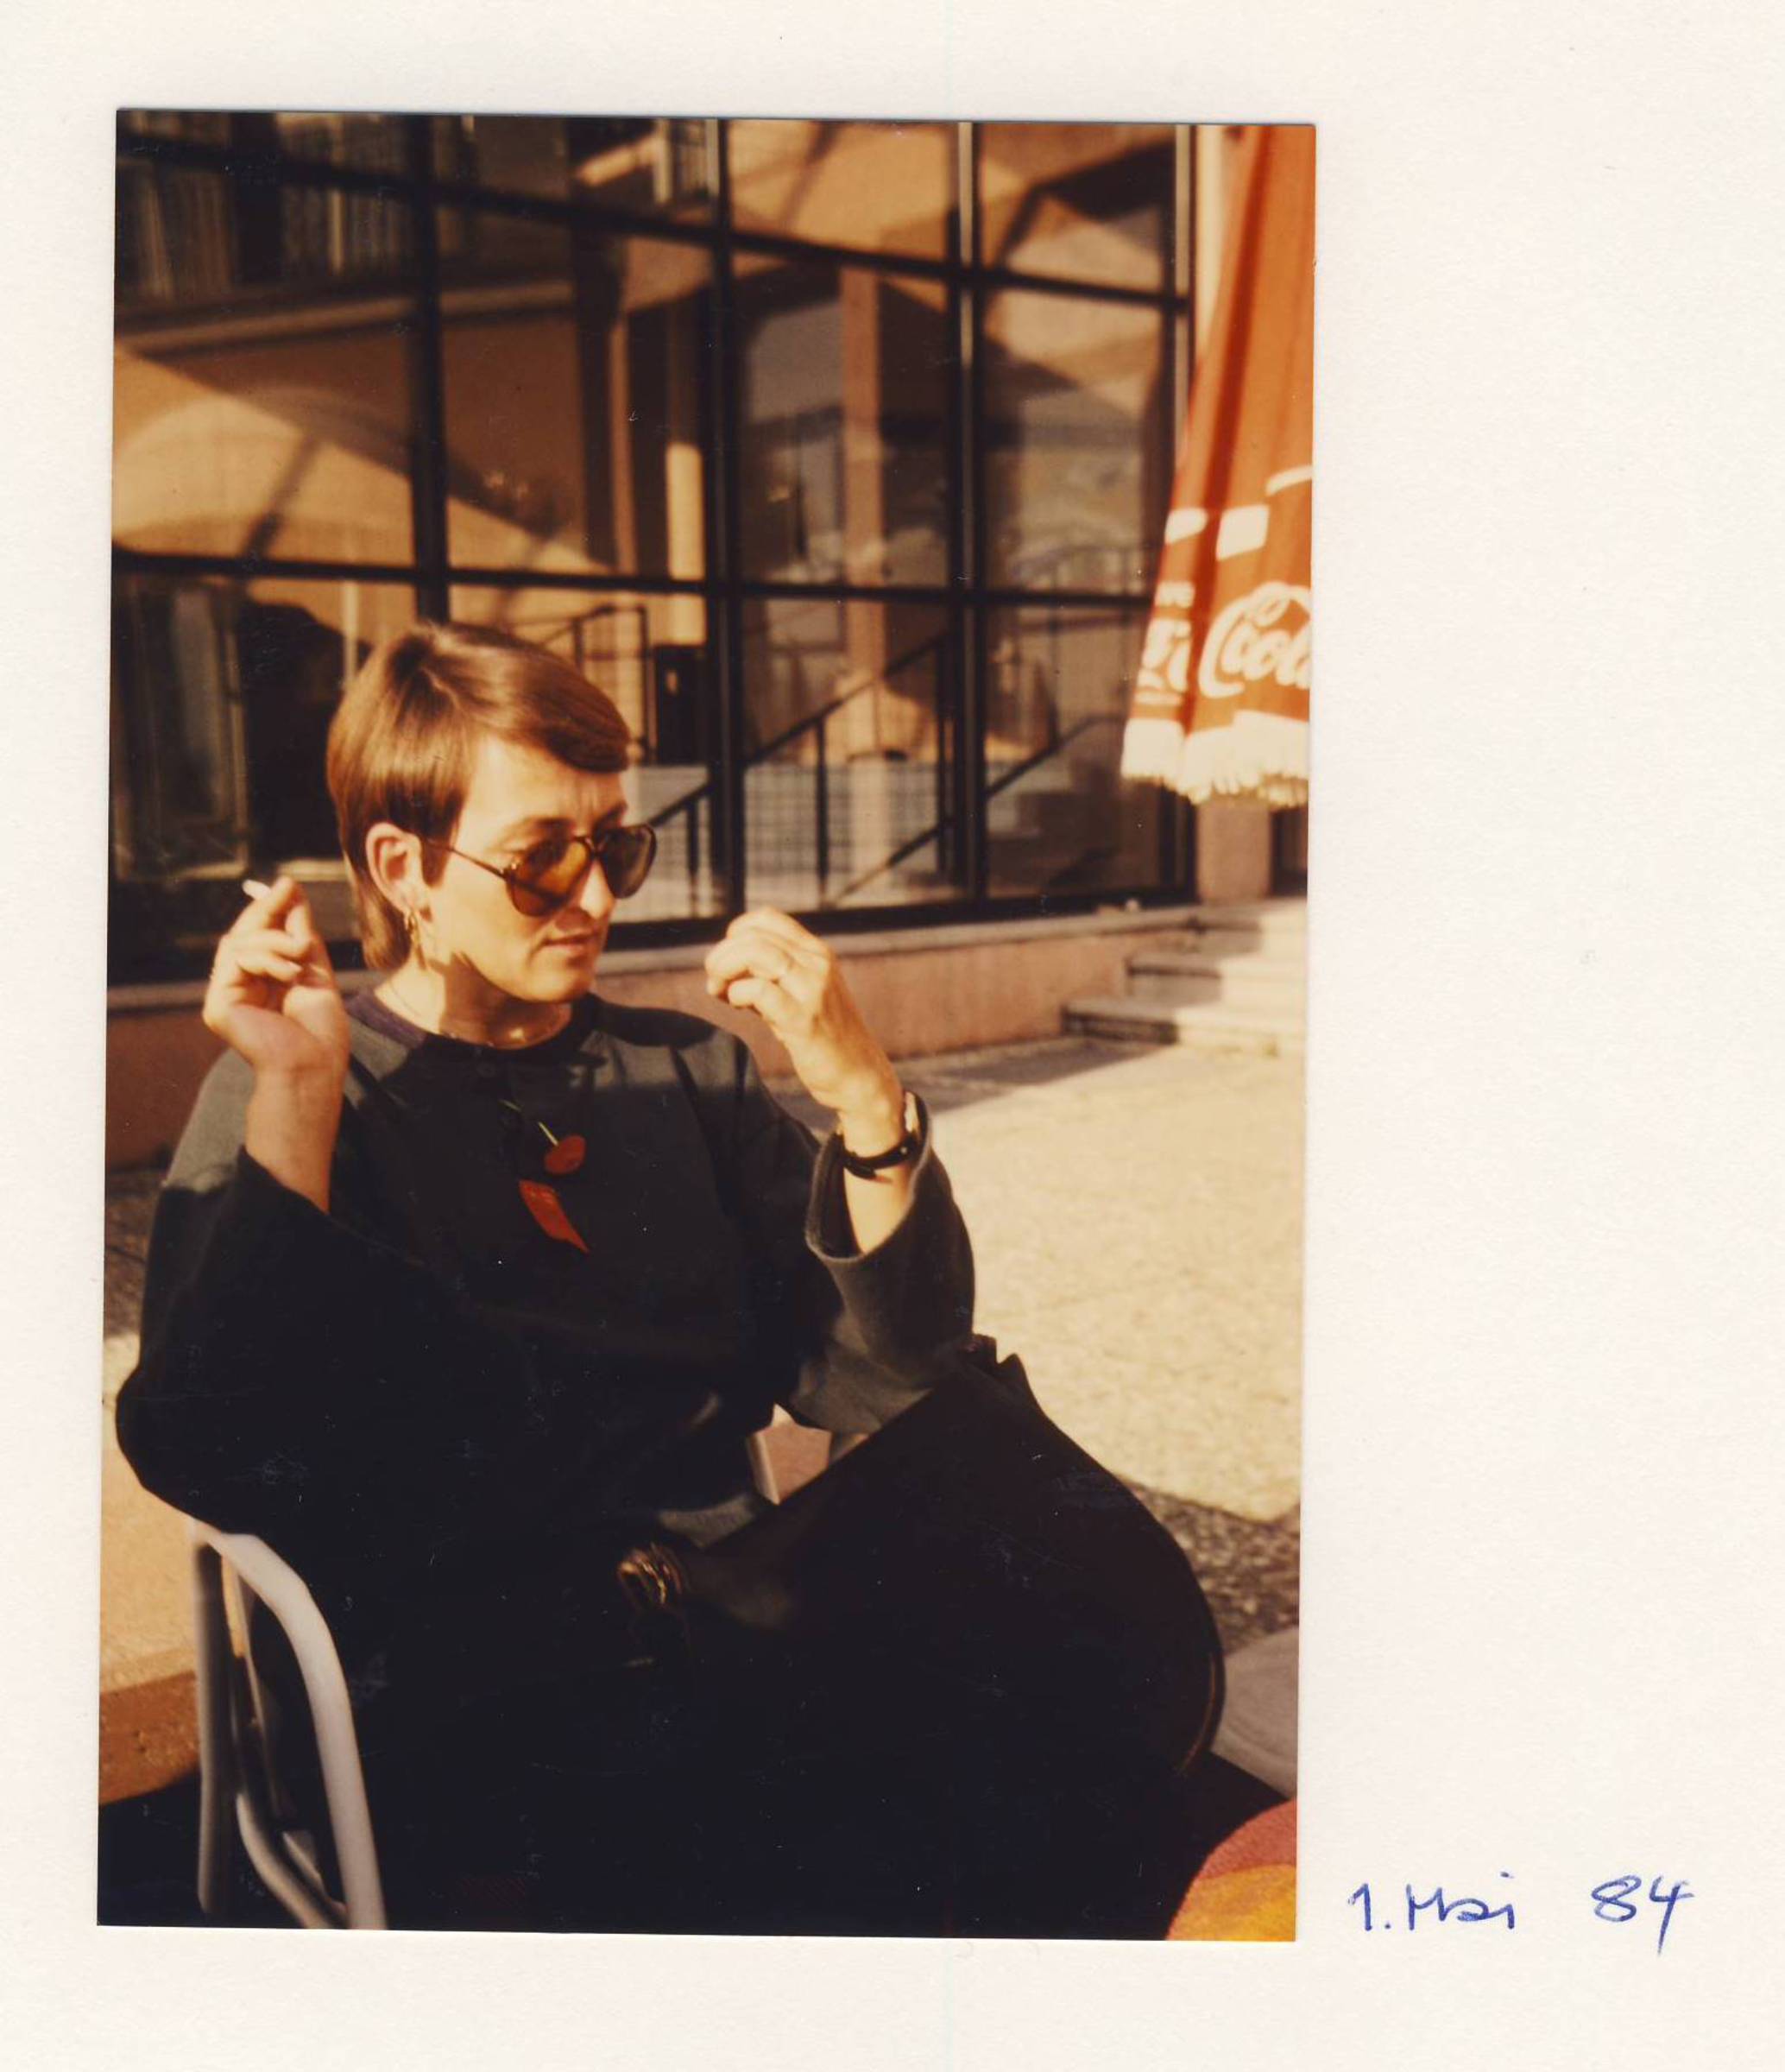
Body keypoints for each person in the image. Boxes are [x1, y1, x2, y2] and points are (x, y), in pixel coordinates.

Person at [117, 621, 1220, 1936]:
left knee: (1044, 1710)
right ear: (404, 868)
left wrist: (864, 1097)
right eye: (542, 858)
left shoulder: (686, 1072)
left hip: (734, 1630)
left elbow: (901, 1371)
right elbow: (214, 1447)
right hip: (469, 1692)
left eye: (616, 847)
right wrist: (297, 1092)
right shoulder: (301, 1084)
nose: (594, 899)